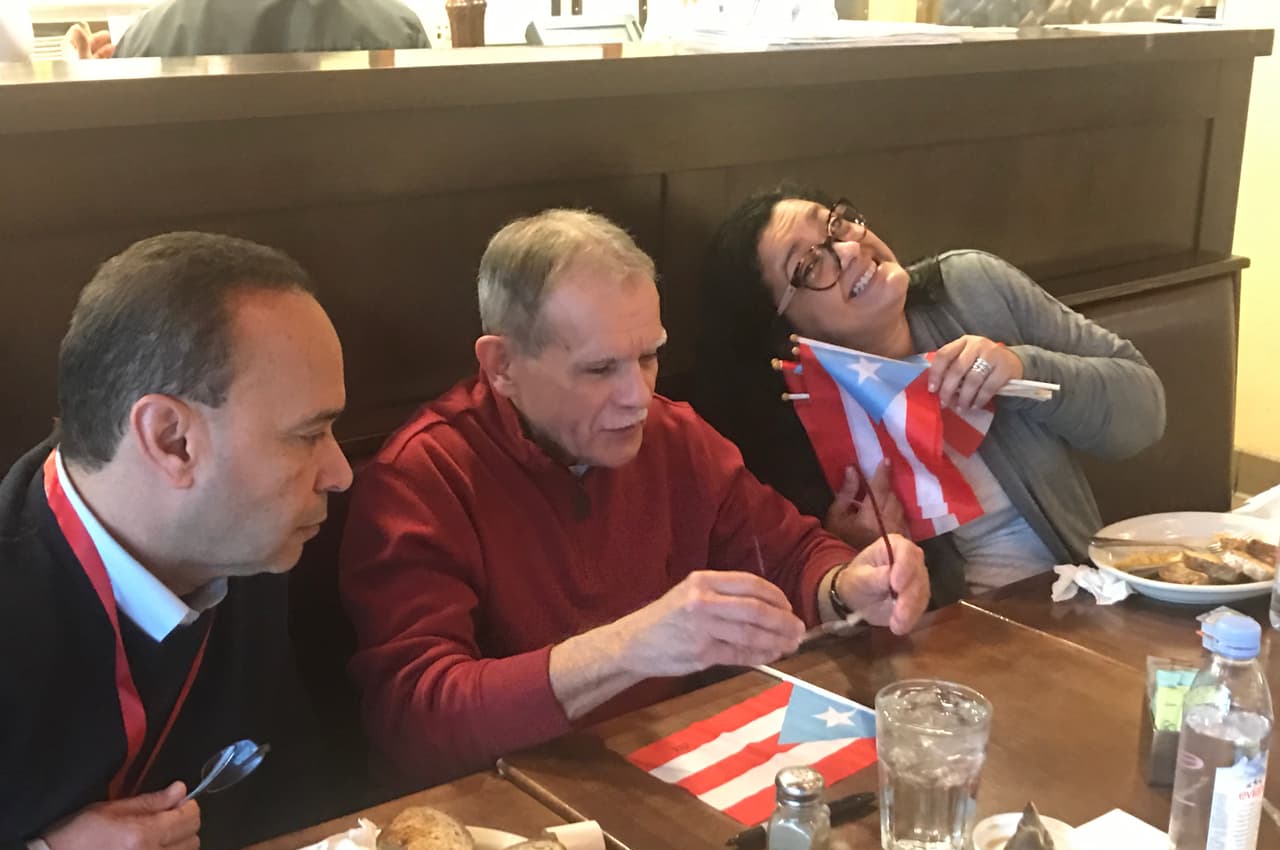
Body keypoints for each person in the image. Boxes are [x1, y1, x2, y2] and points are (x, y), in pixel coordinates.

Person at [340, 209, 929, 787]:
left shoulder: (673, 436)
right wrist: (632, 646)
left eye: (648, 356)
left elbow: (791, 554)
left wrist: (848, 584)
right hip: (501, 805)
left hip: (651, 775)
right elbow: (417, 722)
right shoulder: (422, 477)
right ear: (503, 367)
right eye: (600, 369)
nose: (638, 397)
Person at [0, 232, 353, 850]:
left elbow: (301, 788)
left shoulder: (247, 549)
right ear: (171, 440)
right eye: (307, 435)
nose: (340, 473)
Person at [698, 183, 1166, 604]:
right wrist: (850, 552)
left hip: (1084, 598)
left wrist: (1024, 368)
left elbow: (1145, 413)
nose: (849, 249)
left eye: (836, 224)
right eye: (809, 264)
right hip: (952, 651)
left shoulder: (969, 288)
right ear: (786, 332)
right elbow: (833, 615)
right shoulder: (805, 420)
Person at [112, 0, 430, 58]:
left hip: (192, 235)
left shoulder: (145, 37)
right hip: (371, 235)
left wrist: (88, 72)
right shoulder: (399, 28)